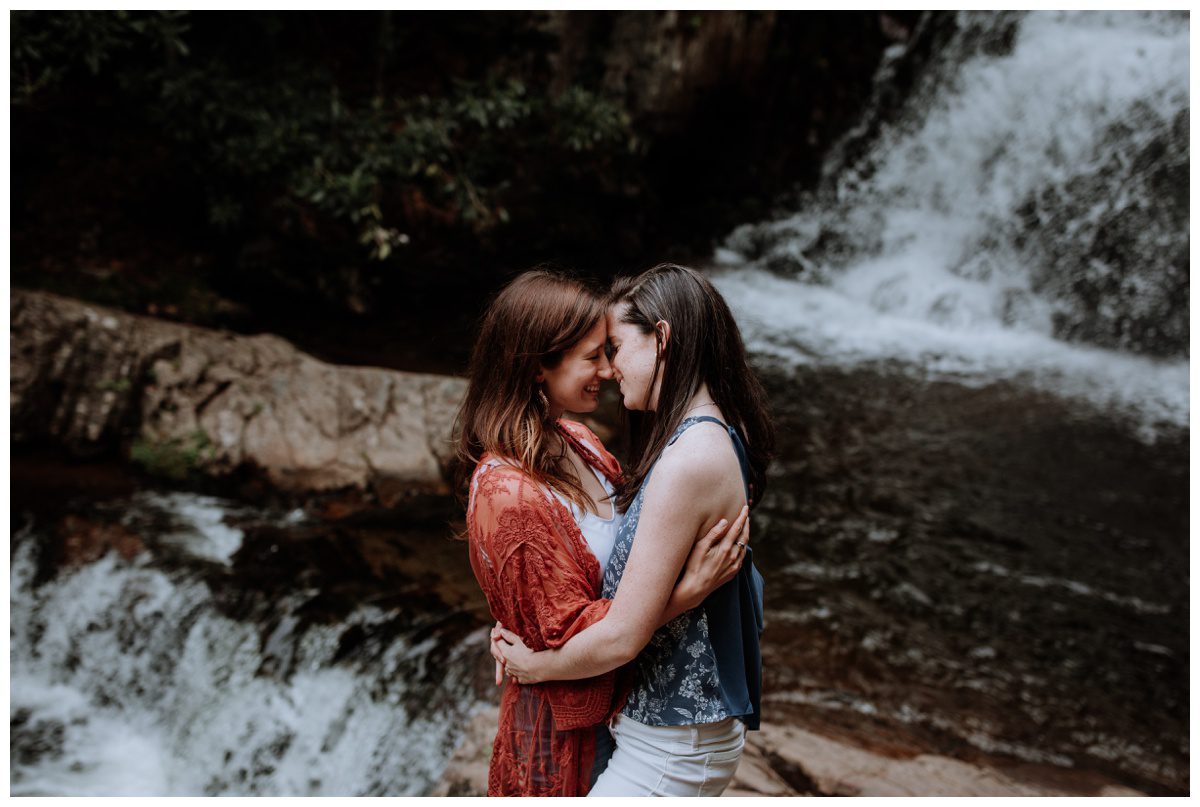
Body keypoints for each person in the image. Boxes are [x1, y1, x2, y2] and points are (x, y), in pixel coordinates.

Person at [455, 268, 752, 797]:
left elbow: (615, 608)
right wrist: (685, 594)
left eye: (610, 350)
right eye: (594, 355)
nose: (608, 370)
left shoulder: (581, 440)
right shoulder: (508, 490)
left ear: (660, 339)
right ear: (536, 366)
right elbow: (549, 608)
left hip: (633, 712)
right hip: (570, 720)